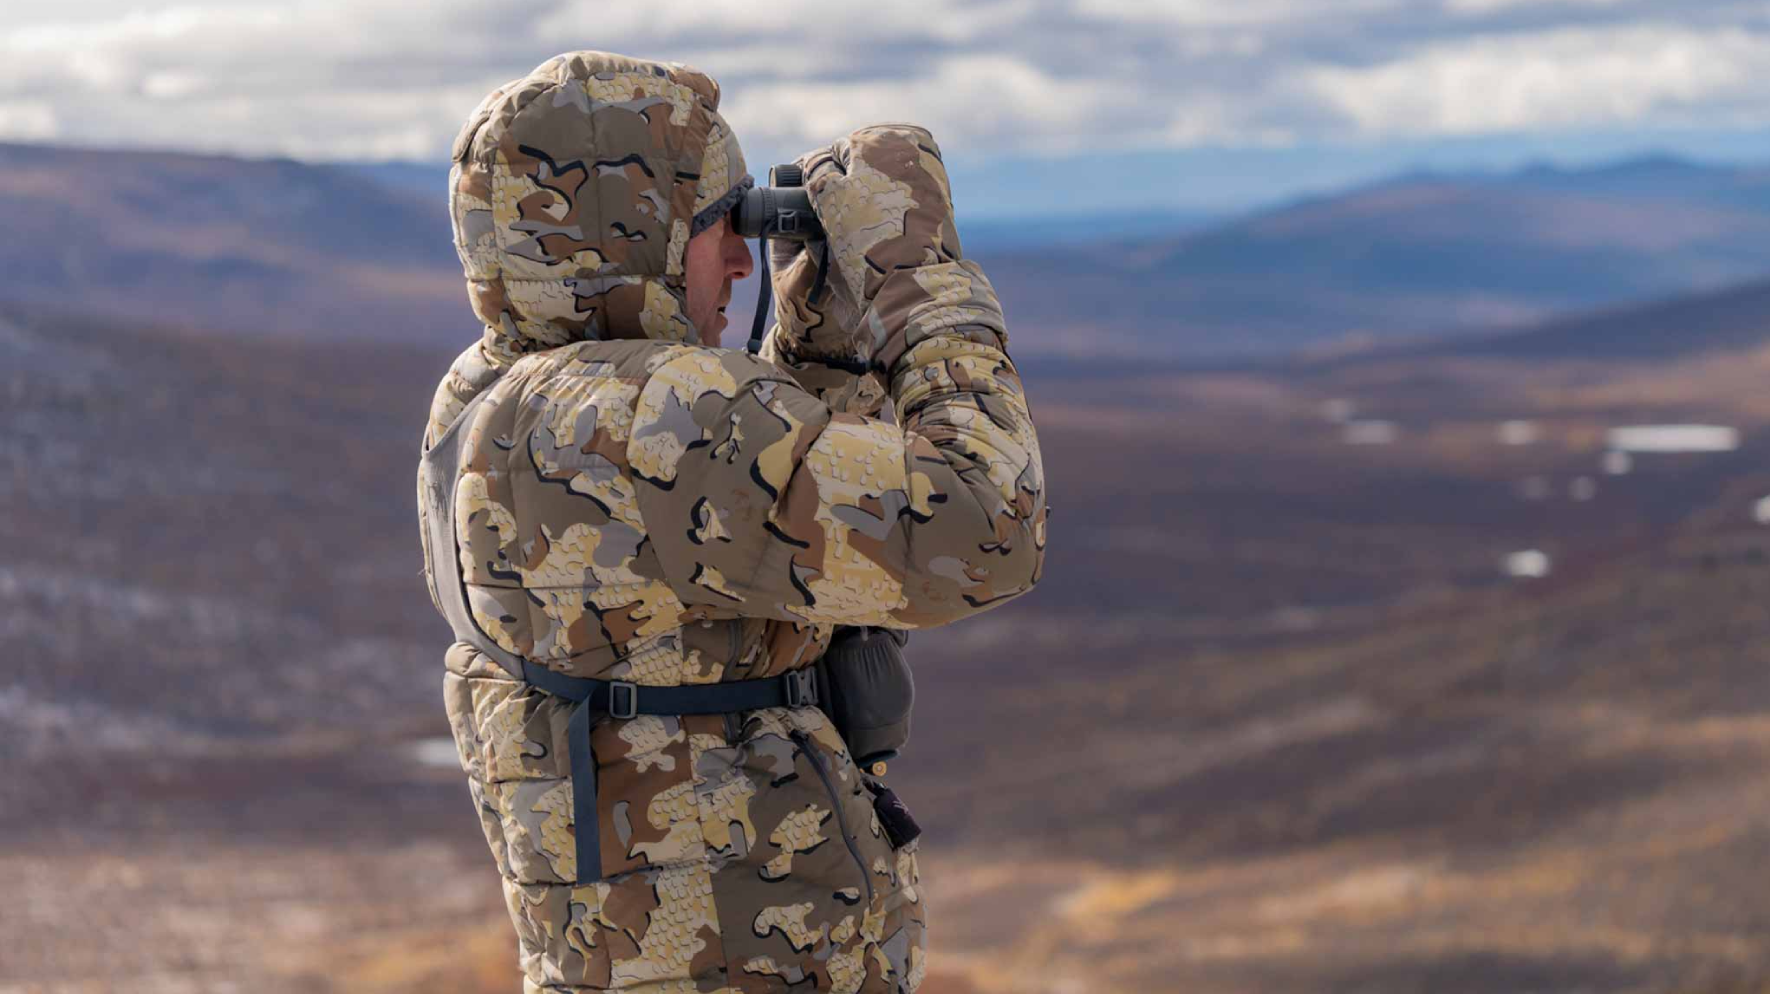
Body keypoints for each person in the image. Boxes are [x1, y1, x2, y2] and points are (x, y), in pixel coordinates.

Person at [417, 50, 1047, 993]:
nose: (745, 259)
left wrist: (820, 342)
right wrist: (923, 289)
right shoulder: (659, 412)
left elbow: (750, 528)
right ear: (640, 230)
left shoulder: (487, 394)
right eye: (718, 223)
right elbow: (988, 526)